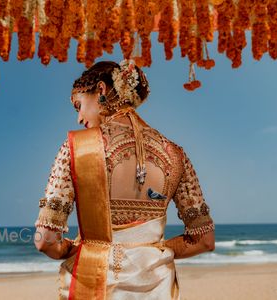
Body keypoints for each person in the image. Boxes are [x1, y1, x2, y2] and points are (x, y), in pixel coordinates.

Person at [34, 60, 215, 299]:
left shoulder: (77, 148)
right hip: (157, 287)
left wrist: (71, 248)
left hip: (96, 284)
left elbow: (45, 241)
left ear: (100, 90)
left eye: (79, 105)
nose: (79, 117)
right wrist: (147, 251)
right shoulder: (175, 154)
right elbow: (204, 241)